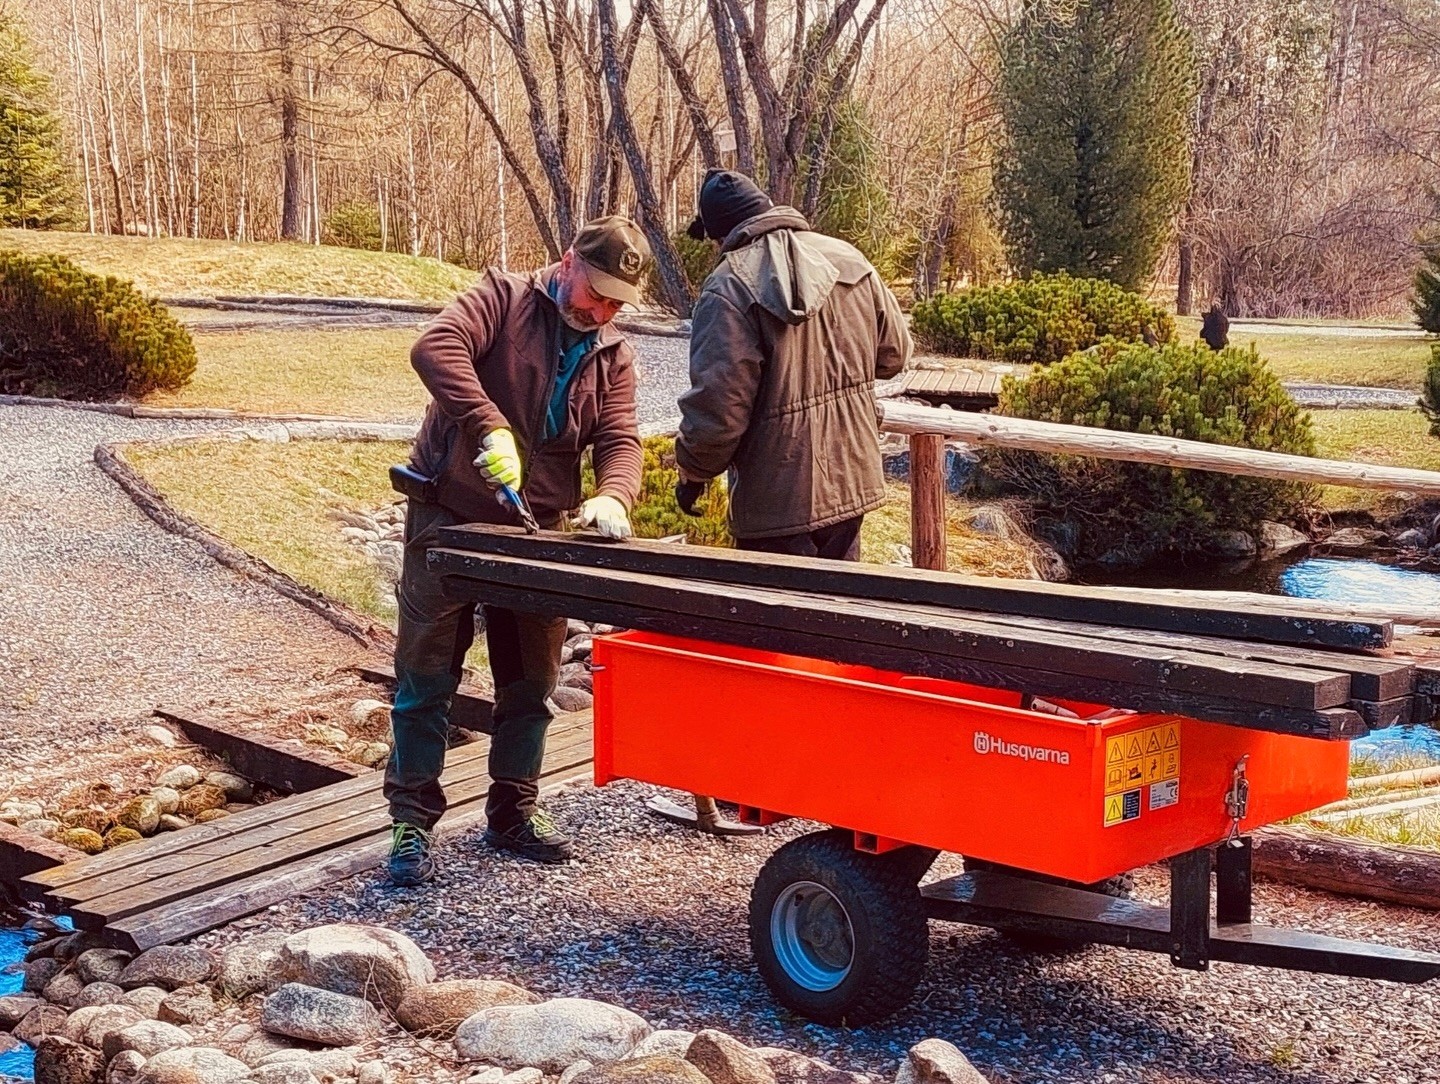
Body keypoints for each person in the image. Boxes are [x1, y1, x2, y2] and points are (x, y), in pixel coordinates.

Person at [385, 217, 651, 885]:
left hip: (537, 531)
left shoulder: (613, 355)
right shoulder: (502, 299)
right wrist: (488, 425)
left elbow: (621, 440)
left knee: (531, 684)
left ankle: (513, 812)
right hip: (447, 516)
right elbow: (434, 347)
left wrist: (615, 496)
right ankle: (411, 824)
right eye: (598, 292)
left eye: (618, 301)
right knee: (425, 679)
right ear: (568, 264)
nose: (604, 310)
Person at [673, 170, 912, 560]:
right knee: (836, 612)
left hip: (777, 496)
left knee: (775, 618)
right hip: (852, 479)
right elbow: (894, 354)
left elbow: (719, 407)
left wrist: (694, 472)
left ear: (720, 236)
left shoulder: (728, 285)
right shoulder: (848, 258)